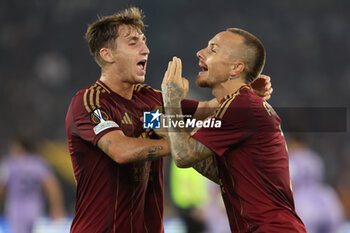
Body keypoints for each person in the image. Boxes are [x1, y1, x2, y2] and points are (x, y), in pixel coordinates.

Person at [65, 7, 272, 233]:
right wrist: (181, 144)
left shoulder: (148, 100)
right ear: (108, 54)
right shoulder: (90, 101)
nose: (146, 49)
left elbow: (208, 109)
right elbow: (120, 150)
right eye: (134, 42)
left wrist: (244, 91)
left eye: (144, 41)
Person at [160, 28, 306, 232]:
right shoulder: (235, 107)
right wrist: (165, 114)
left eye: (213, 49)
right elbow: (221, 172)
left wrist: (172, 102)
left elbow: (184, 155)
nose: (200, 53)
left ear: (236, 68)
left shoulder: (242, 108)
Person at [0, 136, 65, 233]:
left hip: (16, 209)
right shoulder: (38, 163)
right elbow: (52, 185)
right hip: (35, 209)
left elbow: (1, 187)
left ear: (19, 147)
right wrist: (57, 206)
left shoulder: (9, 163)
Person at [288, 134, 345, 233]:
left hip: (300, 202)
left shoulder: (290, 159)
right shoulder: (314, 157)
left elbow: (290, 180)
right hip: (323, 199)